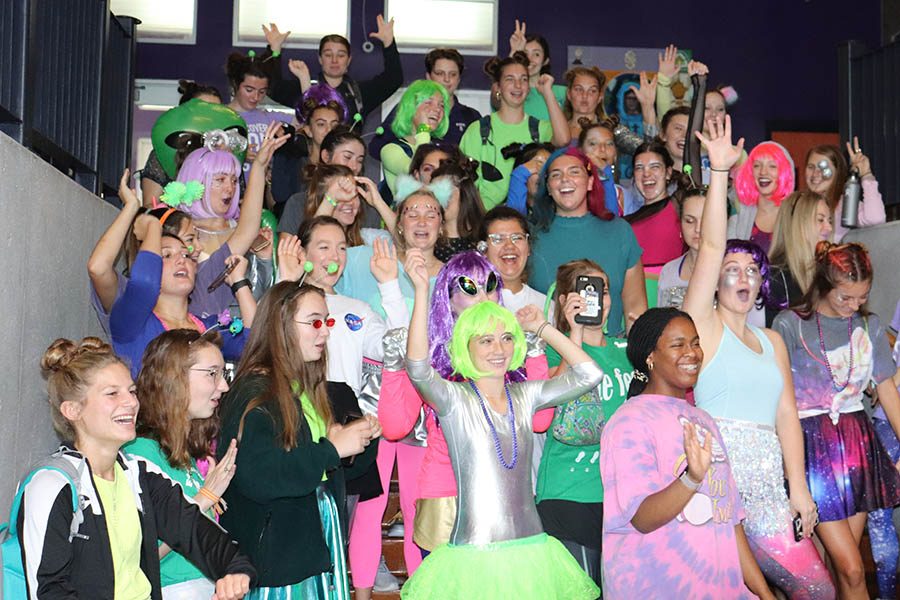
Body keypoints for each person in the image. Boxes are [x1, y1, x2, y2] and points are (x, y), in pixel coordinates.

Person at [683, 116, 834, 598]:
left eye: (752, 267)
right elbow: (709, 244)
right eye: (732, 269)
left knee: (818, 589)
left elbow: (787, 414)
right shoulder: (700, 327)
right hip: (717, 484)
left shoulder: (773, 340)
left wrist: (799, 489)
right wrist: (721, 172)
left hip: (770, 488)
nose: (744, 276)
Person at [400, 249, 603, 599]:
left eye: (506, 337)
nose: (499, 348)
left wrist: (543, 328)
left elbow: (589, 374)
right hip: (472, 554)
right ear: (465, 345)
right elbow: (418, 368)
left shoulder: (524, 396)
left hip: (532, 552)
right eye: (486, 339)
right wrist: (421, 291)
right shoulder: (453, 400)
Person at [19, 337, 255, 599]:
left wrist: (236, 569)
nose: (131, 402)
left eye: (131, 391)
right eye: (112, 394)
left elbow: (195, 531)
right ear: (73, 410)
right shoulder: (51, 485)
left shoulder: (138, 474)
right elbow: (49, 589)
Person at [376, 252, 553, 572]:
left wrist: (536, 350)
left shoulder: (507, 350)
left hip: (505, 501)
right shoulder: (429, 352)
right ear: (449, 297)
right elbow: (395, 427)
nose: (485, 296)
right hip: (446, 501)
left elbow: (541, 421)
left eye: (491, 285)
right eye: (470, 287)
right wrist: (393, 366)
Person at [218, 282, 381, 597]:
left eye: (327, 322)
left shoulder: (308, 388)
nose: (325, 332)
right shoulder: (255, 393)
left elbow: (330, 469)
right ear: (280, 326)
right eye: (315, 322)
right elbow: (260, 477)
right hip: (278, 563)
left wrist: (359, 442)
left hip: (311, 546)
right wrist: (332, 449)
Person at [600, 308, 772, 599]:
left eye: (695, 342)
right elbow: (641, 518)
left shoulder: (703, 420)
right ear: (650, 356)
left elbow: (729, 520)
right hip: (658, 587)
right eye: (678, 345)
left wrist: (764, 593)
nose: (692, 353)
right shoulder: (629, 422)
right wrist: (692, 478)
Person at [773, 242, 900, 599]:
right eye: (846, 297)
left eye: (862, 297)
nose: (854, 305)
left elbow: (888, 394)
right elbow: (778, 400)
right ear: (824, 286)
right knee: (854, 568)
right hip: (811, 449)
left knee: (840, 567)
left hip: (859, 447)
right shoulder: (788, 325)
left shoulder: (868, 326)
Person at [535, 259, 633, 586]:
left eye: (603, 290)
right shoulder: (550, 349)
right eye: (586, 290)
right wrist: (573, 332)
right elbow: (552, 400)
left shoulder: (626, 350)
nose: (598, 298)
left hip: (620, 497)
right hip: (568, 493)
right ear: (565, 300)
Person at [125, 329, 240, 599]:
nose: (223, 386)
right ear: (174, 378)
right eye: (212, 373)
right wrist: (203, 500)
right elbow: (137, 557)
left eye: (223, 374)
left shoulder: (182, 453)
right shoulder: (140, 454)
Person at [109, 212, 254, 378]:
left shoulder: (210, 328)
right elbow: (145, 283)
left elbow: (255, 344)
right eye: (167, 255)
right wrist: (153, 226)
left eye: (186, 255)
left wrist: (239, 282)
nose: (181, 260)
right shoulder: (133, 322)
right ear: (152, 266)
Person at [166, 122, 289, 317]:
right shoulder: (178, 232)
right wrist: (258, 167)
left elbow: (259, 294)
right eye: (220, 180)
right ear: (198, 182)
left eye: (233, 180)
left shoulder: (241, 230)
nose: (230, 188)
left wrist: (264, 260)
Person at [529, 147, 647, 335]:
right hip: (547, 355)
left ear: (591, 182)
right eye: (556, 175)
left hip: (608, 355)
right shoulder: (529, 235)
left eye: (574, 172)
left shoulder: (619, 231)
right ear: (548, 188)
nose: (565, 179)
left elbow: (635, 308)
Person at [459, 52, 569, 210]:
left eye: (523, 79)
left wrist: (547, 92)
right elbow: (466, 187)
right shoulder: (478, 130)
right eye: (510, 79)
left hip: (532, 222)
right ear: (498, 87)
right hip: (487, 221)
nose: (518, 85)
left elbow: (563, 139)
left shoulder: (539, 128)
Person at [266, 17, 402, 126]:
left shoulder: (360, 93)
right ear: (320, 59)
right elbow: (271, 87)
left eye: (341, 55)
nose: (334, 60)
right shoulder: (305, 85)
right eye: (328, 55)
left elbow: (394, 79)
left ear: (349, 60)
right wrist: (274, 50)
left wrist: (389, 44)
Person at [369, 48, 481, 158]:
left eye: (452, 74)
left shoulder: (470, 116)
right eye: (440, 73)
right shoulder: (410, 108)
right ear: (428, 77)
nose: (447, 79)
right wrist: (402, 161)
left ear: (459, 79)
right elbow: (376, 147)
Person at [141, 80, 223, 205]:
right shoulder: (164, 154)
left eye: (217, 112)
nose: (210, 117)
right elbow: (150, 207)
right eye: (204, 111)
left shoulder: (226, 155)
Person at [277, 125, 369, 235]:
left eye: (359, 160)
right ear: (326, 156)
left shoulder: (365, 205)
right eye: (347, 157)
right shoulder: (299, 202)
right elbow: (286, 249)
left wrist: (379, 203)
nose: (354, 166)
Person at [269, 84, 348, 208]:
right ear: (308, 130)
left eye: (334, 125)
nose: (329, 130)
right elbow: (280, 196)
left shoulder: (347, 164)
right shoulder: (294, 164)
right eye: (321, 124)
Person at [766, 191, 834, 326]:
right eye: (820, 220)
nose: (829, 228)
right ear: (799, 224)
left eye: (829, 221)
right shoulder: (774, 278)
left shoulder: (827, 271)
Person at [804, 138, 886, 241]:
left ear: (837, 172)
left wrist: (866, 174)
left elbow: (875, 218)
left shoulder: (845, 204)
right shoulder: (798, 204)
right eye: (811, 167)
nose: (815, 174)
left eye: (823, 168)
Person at [625, 142, 686, 279]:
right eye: (639, 168)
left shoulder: (681, 206)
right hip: (636, 295)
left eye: (655, 167)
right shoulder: (625, 224)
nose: (646, 174)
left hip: (672, 293)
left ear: (668, 172)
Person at [380, 80, 451, 196]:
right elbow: (416, 171)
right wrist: (423, 130)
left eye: (441, 105)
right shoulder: (390, 150)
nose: (438, 110)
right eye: (428, 102)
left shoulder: (442, 150)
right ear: (411, 108)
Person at [224, 48, 290, 174]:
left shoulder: (269, 117)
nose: (255, 97)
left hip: (263, 190)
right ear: (235, 84)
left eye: (262, 92)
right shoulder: (221, 116)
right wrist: (238, 154)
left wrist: (304, 79)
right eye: (249, 90)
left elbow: (308, 120)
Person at [730, 141, 795, 253]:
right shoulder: (739, 213)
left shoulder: (796, 214)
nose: (763, 172)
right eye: (757, 165)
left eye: (772, 166)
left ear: (784, 172)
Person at [478, 206, 546, 312]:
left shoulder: (546, 307)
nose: (509, 246)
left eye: (517, 238)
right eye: (498, 239)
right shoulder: (469, 303)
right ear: (483, 249)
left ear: (528, 248)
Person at [507, 21, 568, 121]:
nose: (529, 59)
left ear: (545, 61)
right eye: (525, 53)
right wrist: (514, 52)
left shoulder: (562, 93)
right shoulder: (512, 92)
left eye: (536, 54)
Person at [657, 188, 704, 309]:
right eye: (689, 221)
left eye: (705, 220)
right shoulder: (668, 271)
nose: (698, 229)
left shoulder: (731, 271)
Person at [431, 160, 484, 262]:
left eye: (444, 191)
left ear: (464, 193)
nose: (439, 199)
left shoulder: (485, 237)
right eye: (433, 193)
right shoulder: (427, 240)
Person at [504, 141, 555, 216]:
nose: (543, 175)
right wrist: (519, 175)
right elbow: (515, 218)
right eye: (537, 167)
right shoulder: (501, 213)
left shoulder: (560, 209)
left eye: (548, 168)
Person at [563, 66, 607, 141]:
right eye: (579, 89)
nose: (585, 96)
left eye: (592, 91)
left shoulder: (610, 129)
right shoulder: (554, 129)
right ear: (569, 94)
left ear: (600, 97)